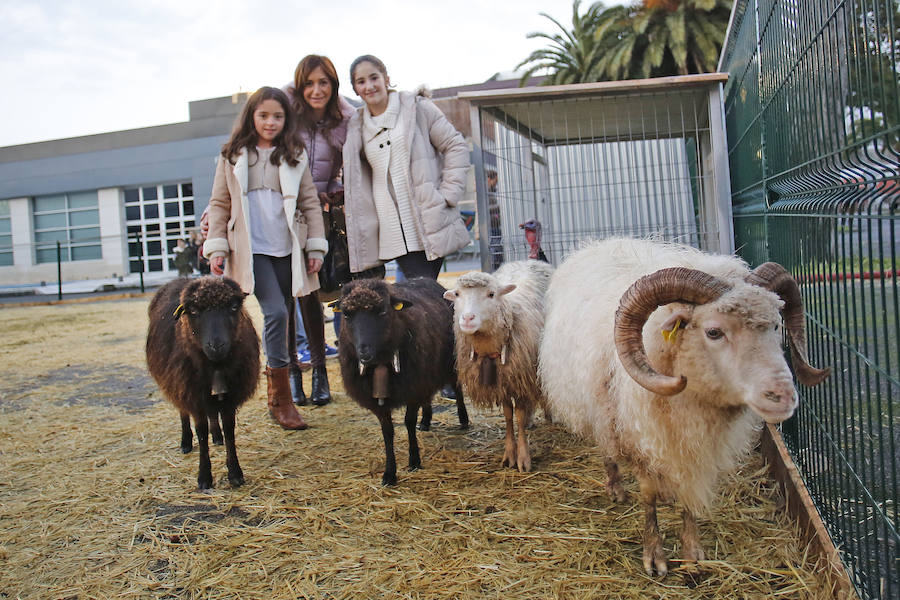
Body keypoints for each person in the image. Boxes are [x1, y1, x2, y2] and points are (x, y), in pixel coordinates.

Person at [203, 86, 327, 431]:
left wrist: (315, 247)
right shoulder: (233, 155)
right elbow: (220, 203)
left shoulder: (293, 154)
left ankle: (279, 391)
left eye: (278, 116)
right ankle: (281, 399)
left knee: (284, 318)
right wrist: (217, 246)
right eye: (263, 115)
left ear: (286, 120)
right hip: (251, 251)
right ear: (251, 117)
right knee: (276, 312)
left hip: (287, 250)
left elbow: (309, 203)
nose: (270, 122)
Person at [342, 54, 471, 280]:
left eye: (374, 78)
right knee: (421, 289)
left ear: (386, 78)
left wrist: (448, 194)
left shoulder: (417, 108)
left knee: (421, 289)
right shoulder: (356, 127)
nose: (369, 86)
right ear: (355, 89)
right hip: (391, 229)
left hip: (428, 218)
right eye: (361, 82)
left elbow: (455, 145)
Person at [284, 54, 354, 406]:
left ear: (333, 85)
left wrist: (338, 186)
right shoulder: (283, 113)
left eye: (323, 82)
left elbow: (357, 155)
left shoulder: (344, 119)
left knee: (316, 292)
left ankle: (323, 374)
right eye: (309, 82)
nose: (316, 89)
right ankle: (292, 372)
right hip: (282, 213)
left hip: (320, 215)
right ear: (299, 84)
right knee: (287, 297)